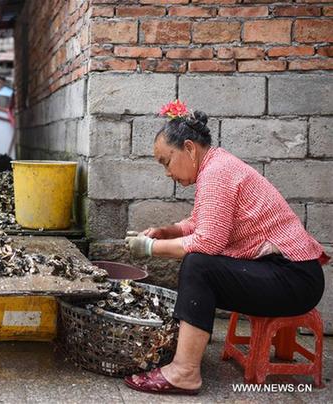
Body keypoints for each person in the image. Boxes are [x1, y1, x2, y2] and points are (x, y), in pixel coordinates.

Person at [124, 100, 327, 395]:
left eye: (166, 161)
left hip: (295, 279)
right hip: (284, 273)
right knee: (199, 262)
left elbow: (208, 241)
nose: (167, 172)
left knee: (199, 265)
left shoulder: (217, 172)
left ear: (190, 148)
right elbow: (202, 221)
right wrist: (167, 232)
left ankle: (184, 371)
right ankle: (186, 359)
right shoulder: (216, 166)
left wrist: (150, 247)